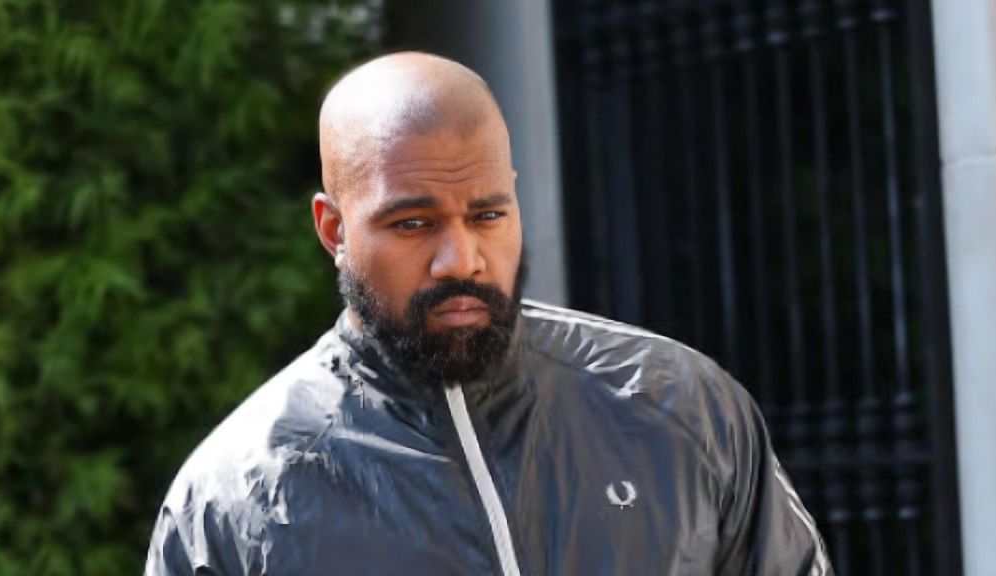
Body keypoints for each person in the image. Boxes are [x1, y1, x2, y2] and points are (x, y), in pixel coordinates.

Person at [145, 52, 832, 576]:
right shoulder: (237, 495)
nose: (461, 259)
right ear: (334, 230)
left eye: (488, 215)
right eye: (413, 223)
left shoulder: (681, 408)